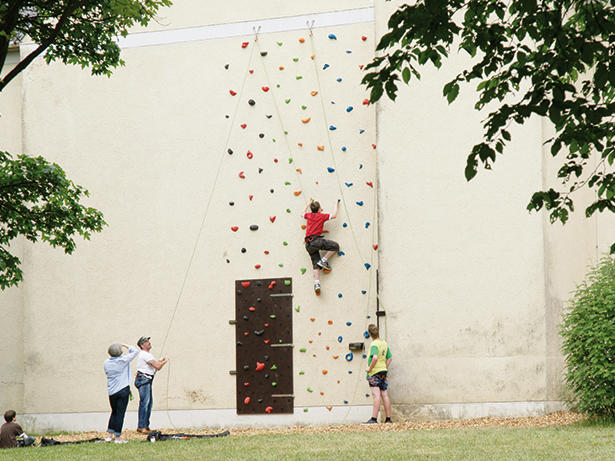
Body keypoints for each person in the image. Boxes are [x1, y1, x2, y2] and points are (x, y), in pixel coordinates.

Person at [303, 198, 340, 295]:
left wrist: (308, 204)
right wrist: (336, 203)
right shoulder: (321, 216)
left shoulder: (309, 215)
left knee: (315, 264)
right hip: (316, 241)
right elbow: (334, 215)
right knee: (335, 246)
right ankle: (323, 261)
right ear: (319, 209)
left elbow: (302, 213)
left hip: (308, 244)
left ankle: (317, 283)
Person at [104, 343, 139, 443]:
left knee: (114, 412)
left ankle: (109, 436)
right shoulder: (123, 360)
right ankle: (118, 437)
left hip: (112, 391)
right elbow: (135, 351)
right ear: (120, 352)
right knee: (120, 414)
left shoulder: (106, 362)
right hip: (123, 390)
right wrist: (124, 345)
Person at [135, 336, 168, 433]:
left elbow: (155, 365)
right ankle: (142, 427)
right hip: (144, 380)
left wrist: (160, 362)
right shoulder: (145, 354)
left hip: (145, 379)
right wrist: (164, 362)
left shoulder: (147, 355)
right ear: (142, 345)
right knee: (145, 403)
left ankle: (144, 426)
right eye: (146, 341)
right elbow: (157, 366)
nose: (149, 342)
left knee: (148, 404)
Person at [363, 324, 393, 424]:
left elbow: (375, 357)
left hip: (374, 372)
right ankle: (388, 419)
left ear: (370, 334)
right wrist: (384, 367)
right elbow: (389, 358)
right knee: (384, 394)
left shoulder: (374, 344)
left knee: (376, 395)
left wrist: (369, 368)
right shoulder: (384, 343)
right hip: (383, 371)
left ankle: (374, 419)